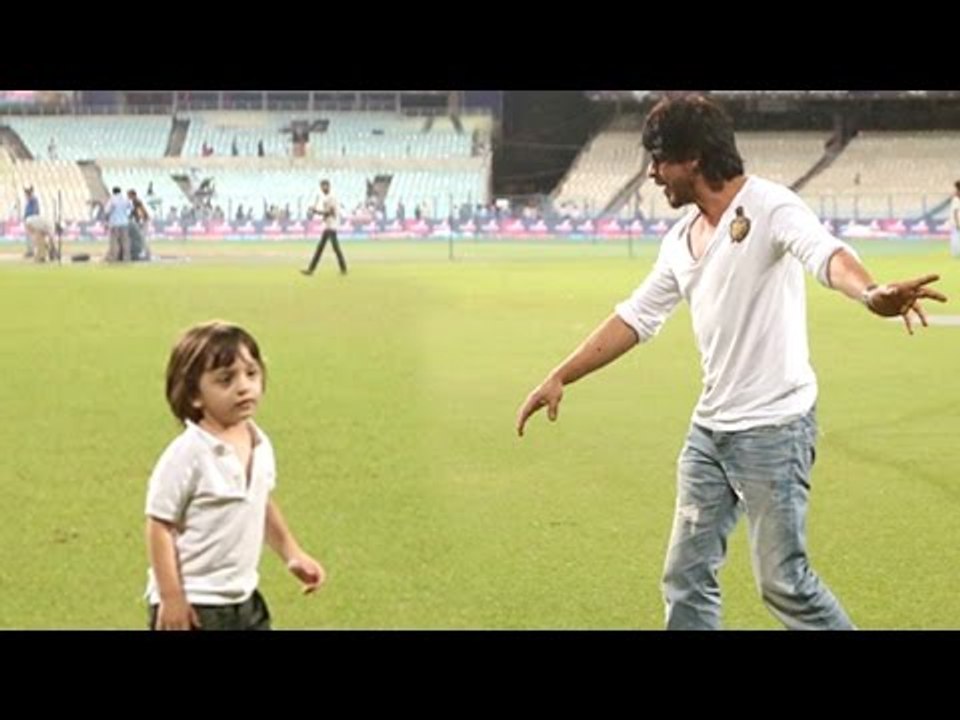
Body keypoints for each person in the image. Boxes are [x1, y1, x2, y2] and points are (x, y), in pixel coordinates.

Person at [515, 94, 947, 630]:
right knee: (685, 577)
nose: (651, 174)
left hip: (773, 429)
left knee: (784, 583)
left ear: (692, 157)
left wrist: (870, 293)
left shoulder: (770, 206)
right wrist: (561, 375)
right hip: (710, 433)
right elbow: (635, 317)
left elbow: (824, 253)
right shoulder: (679, 240)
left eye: (658, 159)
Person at [145, 321, 327, 630]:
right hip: (197, 602)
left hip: (244, 597)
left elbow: (260, 501)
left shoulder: (259, 443)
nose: (244, 386)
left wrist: (291, 552)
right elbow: (159, 525)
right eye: (225, 379)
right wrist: (171, 597)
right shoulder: (188, 453)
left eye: (251, 374)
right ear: (194, 396)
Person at [301, 178, 347, 276]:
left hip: (332, 225)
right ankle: (342, 268)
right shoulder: (327, 198)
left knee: (328, 248)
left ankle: (311, 269)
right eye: (321, 186)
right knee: (328, 248)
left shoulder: (331, 197)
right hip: (328, 225)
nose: (323, 188)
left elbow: (330, 212)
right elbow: (326, 213)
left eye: (324, 186)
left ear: (328, 186)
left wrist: (316, 211)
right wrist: (315, 211)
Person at [103, 186, 132, 262]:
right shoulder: (126, 199)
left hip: (114, 223)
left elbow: (107, 211)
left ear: (113, 192)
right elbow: (131, 208)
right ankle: (126, 258)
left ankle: (114, 258)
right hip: (124, 223)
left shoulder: (112, 200)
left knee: (114, 241)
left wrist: (106, 222)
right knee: (125, 241)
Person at [127, 189, 151, 261]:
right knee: (141, 238)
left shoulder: (136, 202)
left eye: (129, 195)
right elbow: (133, 213)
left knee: (142, 238)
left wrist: (140, 221)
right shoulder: (135, 202)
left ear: (133, 195)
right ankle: (144, 253)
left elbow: (140, 212)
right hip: (142, 221)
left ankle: (144, 253)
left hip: (143, 221)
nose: (128, 197)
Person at [22, 186, 40, 258]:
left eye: (27, 193)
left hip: (31, 219)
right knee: (29, 236)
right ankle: (30, 250)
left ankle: (31, 251)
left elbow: (35, 210)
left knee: (31, 236)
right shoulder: (30, 200)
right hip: (29, 219)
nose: (26, 195)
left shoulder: (33, 199)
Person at [950, 180, 960, 258]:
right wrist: (957, 223)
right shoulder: (956, 199)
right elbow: (955, 212)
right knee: (956, 238)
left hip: (957, 222)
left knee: (956, 238)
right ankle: (956, 254)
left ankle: (956, 253)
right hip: (957, 223)